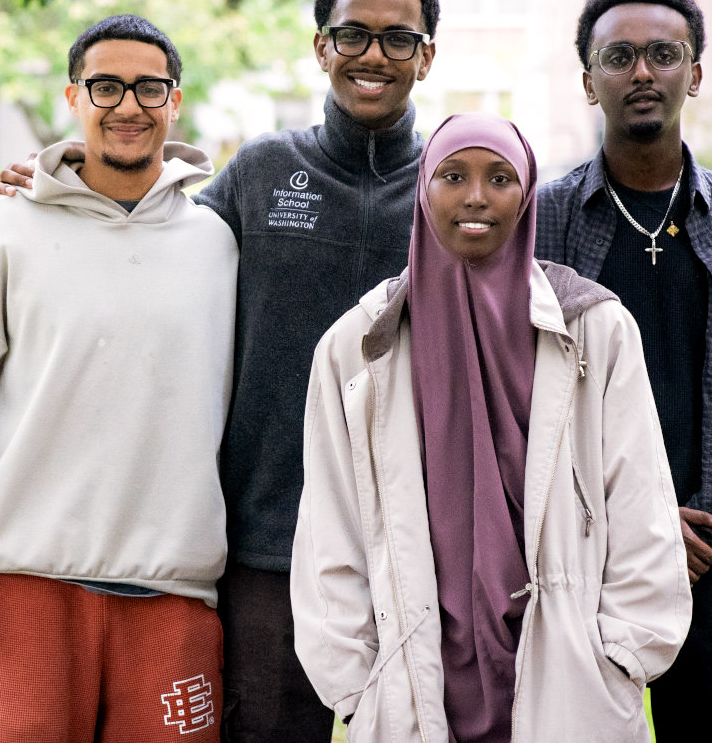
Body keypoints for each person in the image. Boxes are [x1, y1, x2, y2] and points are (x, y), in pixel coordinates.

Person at [0, 0, 712, 741]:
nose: (374, 54)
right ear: (322, 46)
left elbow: (575, 260)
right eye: (353, 34)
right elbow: (155, 240)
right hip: (270, 537)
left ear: (427, 56)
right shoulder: (262, 173)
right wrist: (59, 186)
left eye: (399, 39)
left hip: (430, 548)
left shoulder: (457, 185)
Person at [290, 112, 691, 742]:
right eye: (453, 175)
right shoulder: (358, 346)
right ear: (423, 189)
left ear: (527, 194)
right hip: (417, 681)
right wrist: (355, 684)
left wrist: (624, 658)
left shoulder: (595, 330)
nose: (476, 196)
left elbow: (641, 502)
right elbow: (329, 528)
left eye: (500, 177)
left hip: (569, 680)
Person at [0, 14, 237, 741]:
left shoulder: (216, 243)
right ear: (74, 97)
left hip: (172, 591)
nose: (127, 106)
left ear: (175, 102)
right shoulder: (3, 228)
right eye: (105, 86)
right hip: (28, 582)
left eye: (150, 88)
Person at [536, 0, 712, 742]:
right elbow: (523, 403)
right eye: (619, 56)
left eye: (664, 54)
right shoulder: (547, 223)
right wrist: (638, 534)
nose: (643, 72)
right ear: (589, 82)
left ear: (695, 72)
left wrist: (709, 531)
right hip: (589, 572)